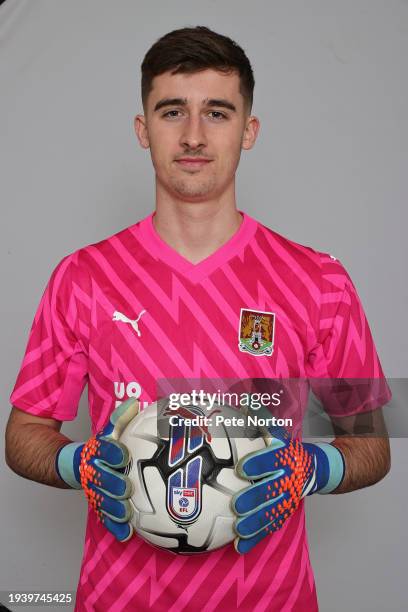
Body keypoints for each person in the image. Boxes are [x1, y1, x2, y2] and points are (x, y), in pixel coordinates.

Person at [5, 26, 392, 611]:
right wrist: (75, 462)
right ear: (143, 130)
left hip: (272, 600)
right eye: (171, 111)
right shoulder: (82, 277)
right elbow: (23, 434)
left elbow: (372, 444)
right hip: (119, 599)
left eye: (216, 111)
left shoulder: (319, 281)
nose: (192, 135)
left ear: (249, 130)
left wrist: (313, 468)